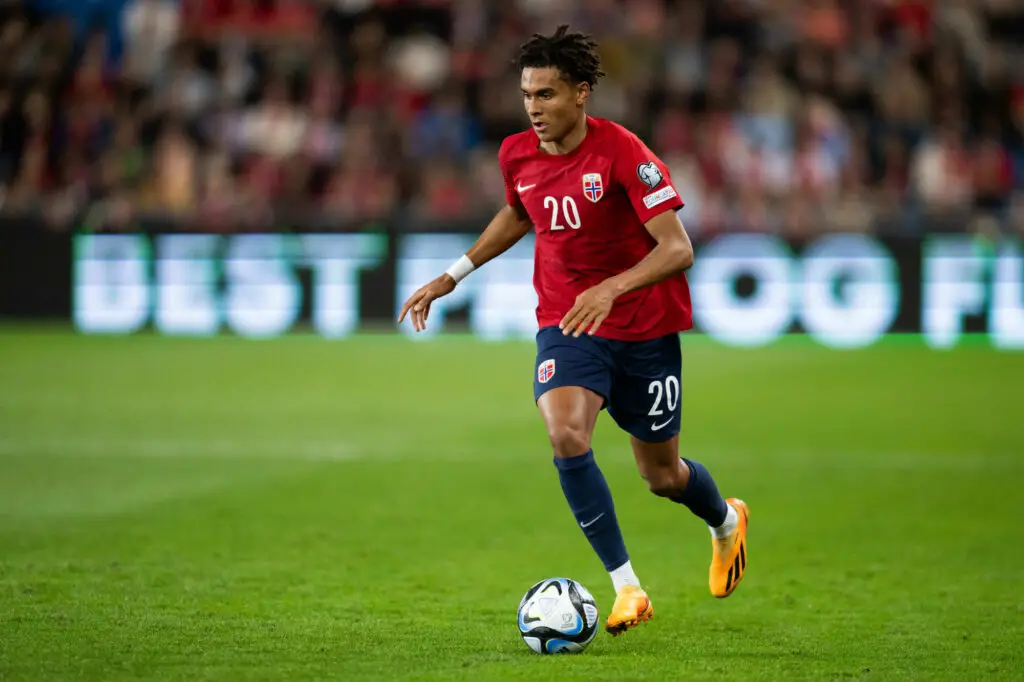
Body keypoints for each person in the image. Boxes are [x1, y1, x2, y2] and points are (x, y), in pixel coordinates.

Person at [398, 25, 749, 637]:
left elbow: (678, 248)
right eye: (527, 95)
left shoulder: (623, 153)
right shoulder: (516, 154)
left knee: (662, 476)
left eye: (547, 94)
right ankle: (627, 587)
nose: (534, 108)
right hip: (568, 321)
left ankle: (725, 522)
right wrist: (454, 275)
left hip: (644, 328)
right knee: (564, 433)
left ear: (581, 93)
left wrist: (612, 287)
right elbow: (519, 212)